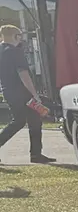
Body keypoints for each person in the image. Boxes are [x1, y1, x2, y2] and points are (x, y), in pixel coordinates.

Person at [0, 24, 54, 163]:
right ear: (15, 36)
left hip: (8, 91)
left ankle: (36, 154)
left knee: (22, 121)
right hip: (22, 92)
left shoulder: (1, 50)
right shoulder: (15, 52)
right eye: (20, 37)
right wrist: (35, 95)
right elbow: (23, 73)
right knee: (31, 121)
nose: (21, 40)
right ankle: (35, 154)